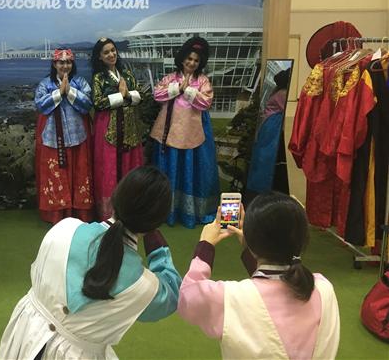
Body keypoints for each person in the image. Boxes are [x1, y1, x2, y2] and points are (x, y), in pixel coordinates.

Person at [0, 166, 181, 359]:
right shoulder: (143, 287)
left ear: (116, 196)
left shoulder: (64, 229)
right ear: (155, 224)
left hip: (27, 335)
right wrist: (160, 251)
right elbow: (172, 295)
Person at [177, 192, 340, 359]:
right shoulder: (324, 288)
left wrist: (205, 245)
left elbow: (186, 298)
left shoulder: (228, 298)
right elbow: (269, 286)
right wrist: (252, 249)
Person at [150, 36, 220, 228]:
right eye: (189, 58)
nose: (192, 63)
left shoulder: (203, 81)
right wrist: (177, 88)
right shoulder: (170, 78)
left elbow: (206, 102)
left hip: (193, 133)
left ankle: (191, 211)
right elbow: (157, 95)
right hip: (170, 132)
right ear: (182, 59)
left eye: (196, 60)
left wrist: (188, 90)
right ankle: (168, 210)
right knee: (170, 169)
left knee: (191, 170)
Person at [34, 48, 94, 224]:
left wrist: (69, 91)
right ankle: (56, 214)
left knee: (80, 173)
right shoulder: (45, 84)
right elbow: (40, 105)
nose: (65, 66)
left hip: (77, 136)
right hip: (53, 137)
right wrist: (59, 92)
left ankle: (79, 213)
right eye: (61, 62)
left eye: (68, 62)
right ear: (54, 64)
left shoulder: (80, 82)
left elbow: (87, 104)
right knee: (55, 175)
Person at [90, 37, 144, 220]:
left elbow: (140, 95)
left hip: (129, 126)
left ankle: (131, 208)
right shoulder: (99, 78)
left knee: (130, 165)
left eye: (113, 50)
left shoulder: (126, 74)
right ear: (99, 56)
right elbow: (98, 103)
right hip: (108, 126)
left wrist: (127, 94)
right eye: (106, 52)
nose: (111, 54)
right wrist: (122, 96)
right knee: (109, 166)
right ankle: (110, 213)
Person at [246, 68, 292, 196]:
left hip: (268, 124)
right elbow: (287, 109)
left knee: (263, 154)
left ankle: (259, 185)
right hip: (274, 125)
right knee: (268, 156)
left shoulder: (276, 91)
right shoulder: (283, 94)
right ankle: (264, 185)